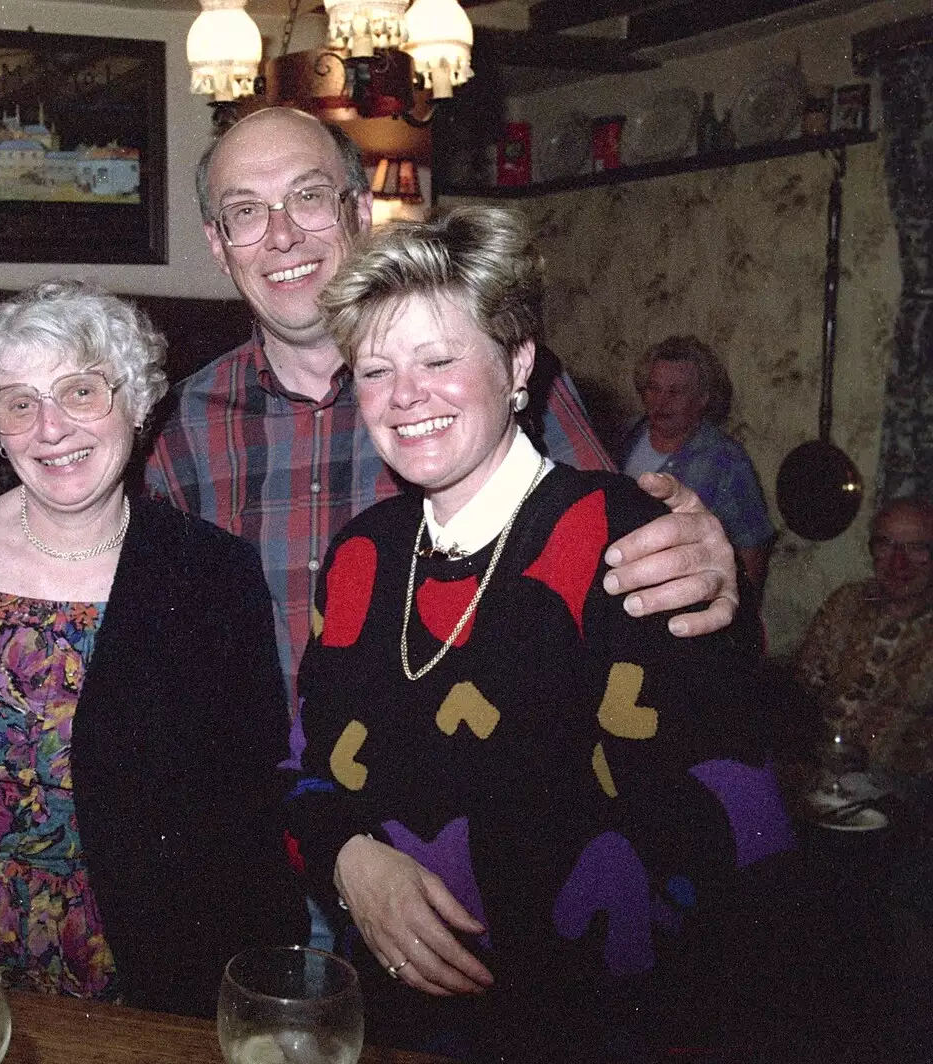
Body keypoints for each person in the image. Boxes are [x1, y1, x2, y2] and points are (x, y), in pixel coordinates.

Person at [290, 207, 795, 1060]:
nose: (404, 395)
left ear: (518, 363)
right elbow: (304, 766)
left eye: (439, 359)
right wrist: (347, 860)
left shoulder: (634, 542)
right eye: (375, 369)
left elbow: (736, 834)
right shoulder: (362, 555)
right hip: (385, 1023)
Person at [147, 107, 742, 727]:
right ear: (217, 244)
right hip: (269, 797)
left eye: (309, 196)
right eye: (245, 211)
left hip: (474, 766)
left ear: (358, 211)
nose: (282, 236)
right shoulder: (175, 430)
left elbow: (624, 553)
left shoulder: (493, 385)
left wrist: (698, 562)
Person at [0, 280, 305, 1016]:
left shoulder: (211, 573)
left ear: (135, 401)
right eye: (19, 403)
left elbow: (250, 809)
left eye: (82, 392)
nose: (51, 428)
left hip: (147, 980)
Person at [619, 336, 775, 599]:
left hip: (683, 605)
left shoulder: (726, 460)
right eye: (653, 389)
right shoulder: (623, 436)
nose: (661, 402)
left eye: (675, 392)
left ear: (703, 398)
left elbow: (752, 550)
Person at [793, 497, 933, 783]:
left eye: (917, 548)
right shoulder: (847, 602)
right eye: (886, 544)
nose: (899, 562)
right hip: (819, 773)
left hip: (902, 795)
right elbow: (800, 689)